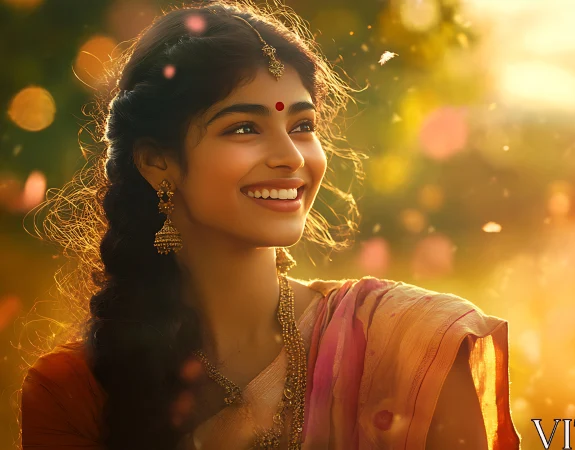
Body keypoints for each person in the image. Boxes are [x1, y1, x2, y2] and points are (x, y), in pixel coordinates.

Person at [17, 1, 521, 449]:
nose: (289, 157)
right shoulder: (76, 390)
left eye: (302, 126)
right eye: (244, 128)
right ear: (157, 162)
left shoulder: (413, 347)